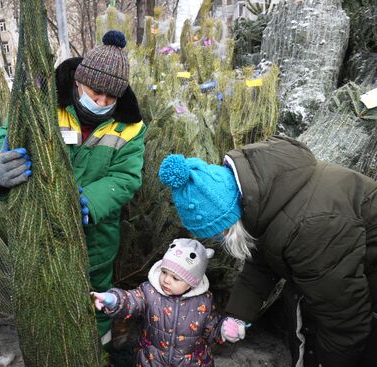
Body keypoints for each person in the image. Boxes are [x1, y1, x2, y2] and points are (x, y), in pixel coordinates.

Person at [0, 30, 146, 348]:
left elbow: (125, 178)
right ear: (79, 81)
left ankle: (98, 343)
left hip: (95, 235)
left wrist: (90, 202)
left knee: (94, 291)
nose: (102, 102)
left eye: (111, 97)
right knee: (43, 287)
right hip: (40, 228)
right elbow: (6, 134)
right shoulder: (46, 104)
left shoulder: (130, 127)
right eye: (95, 92)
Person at [157, 135, 377, 367]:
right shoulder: (264, 197)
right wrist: (237, 315)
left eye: (220, 231)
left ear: (231, 219)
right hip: (341, 272)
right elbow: (261, 261)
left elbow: (343, 318)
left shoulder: (308, 230)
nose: (220, 239)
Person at [92, 238, 246, 366]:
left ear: (192, 283)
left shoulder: (204, 302)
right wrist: (113, 300)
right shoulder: (149, 292)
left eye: (175, 278)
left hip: (191, 362)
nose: (166, 280)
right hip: (151, 360)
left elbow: (211, 329)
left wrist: (224, 330)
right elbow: (131, 301)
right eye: (164, 272)